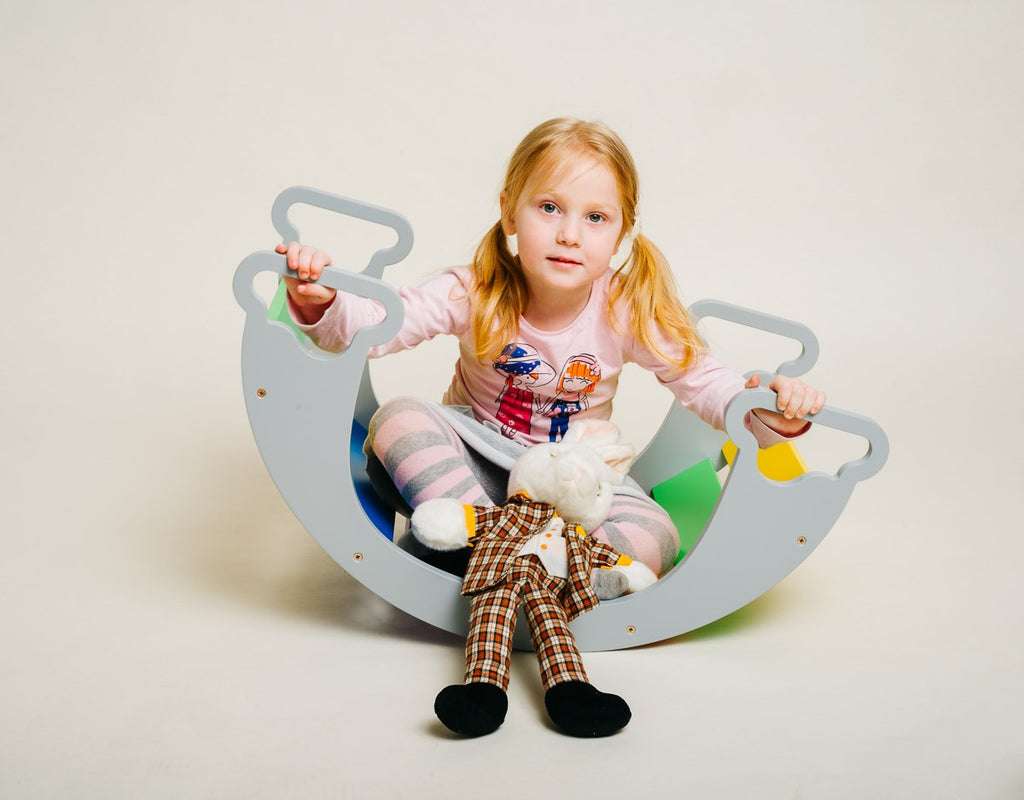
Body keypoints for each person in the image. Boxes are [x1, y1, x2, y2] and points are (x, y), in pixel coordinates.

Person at [276, 117, 826, 594]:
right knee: (397, 419)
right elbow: (374, 329)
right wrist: (319, 298)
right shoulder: (474, 290)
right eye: (549, 208)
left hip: (576, 482)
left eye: (595, 218)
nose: (569, 234)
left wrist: (767, 411)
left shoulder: (627, 309)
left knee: (657, 534)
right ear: (510, 214)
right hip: (477, 467)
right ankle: (503, 544)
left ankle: (513, 558)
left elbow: (704, 382)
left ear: (622, 233)